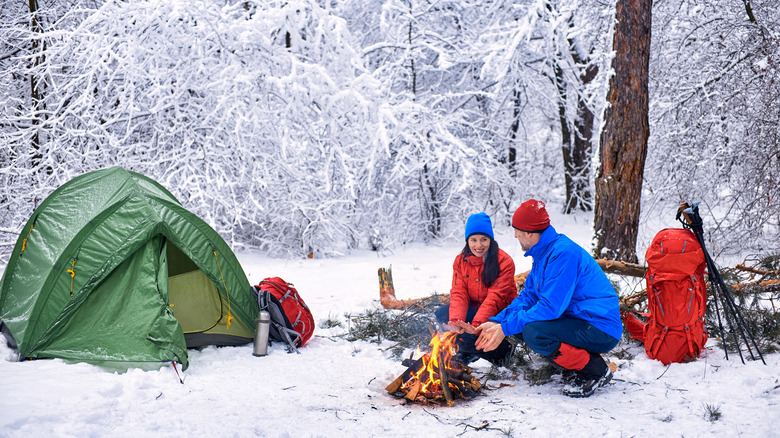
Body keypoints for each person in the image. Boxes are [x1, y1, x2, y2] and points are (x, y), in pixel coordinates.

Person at [474, 199, 622, 397]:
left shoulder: (563, 254)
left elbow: (550, 307)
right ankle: (576, 366)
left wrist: (505, 328)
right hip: (577, 319)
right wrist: (497, 322)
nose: (515, 235)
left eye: (517, 230)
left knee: (534, 332)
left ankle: (594, 370)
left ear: (529, 233)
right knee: (520, 326)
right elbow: (528, 296)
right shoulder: (544, 253)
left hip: (599, 326)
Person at [436, 212, 518, 367]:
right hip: (476, 309)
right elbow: (459, 292)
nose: (478, 245)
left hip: (499, 314)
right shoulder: (460, 260)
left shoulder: (504, 262)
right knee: (443, 315)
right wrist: (456, 322)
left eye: (484, 239)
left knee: (470, 335)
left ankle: (503, 352)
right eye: (473, 240)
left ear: (490, 240)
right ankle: (467, 350)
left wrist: (475, 326)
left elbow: (495, 298)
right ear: (467, 241)